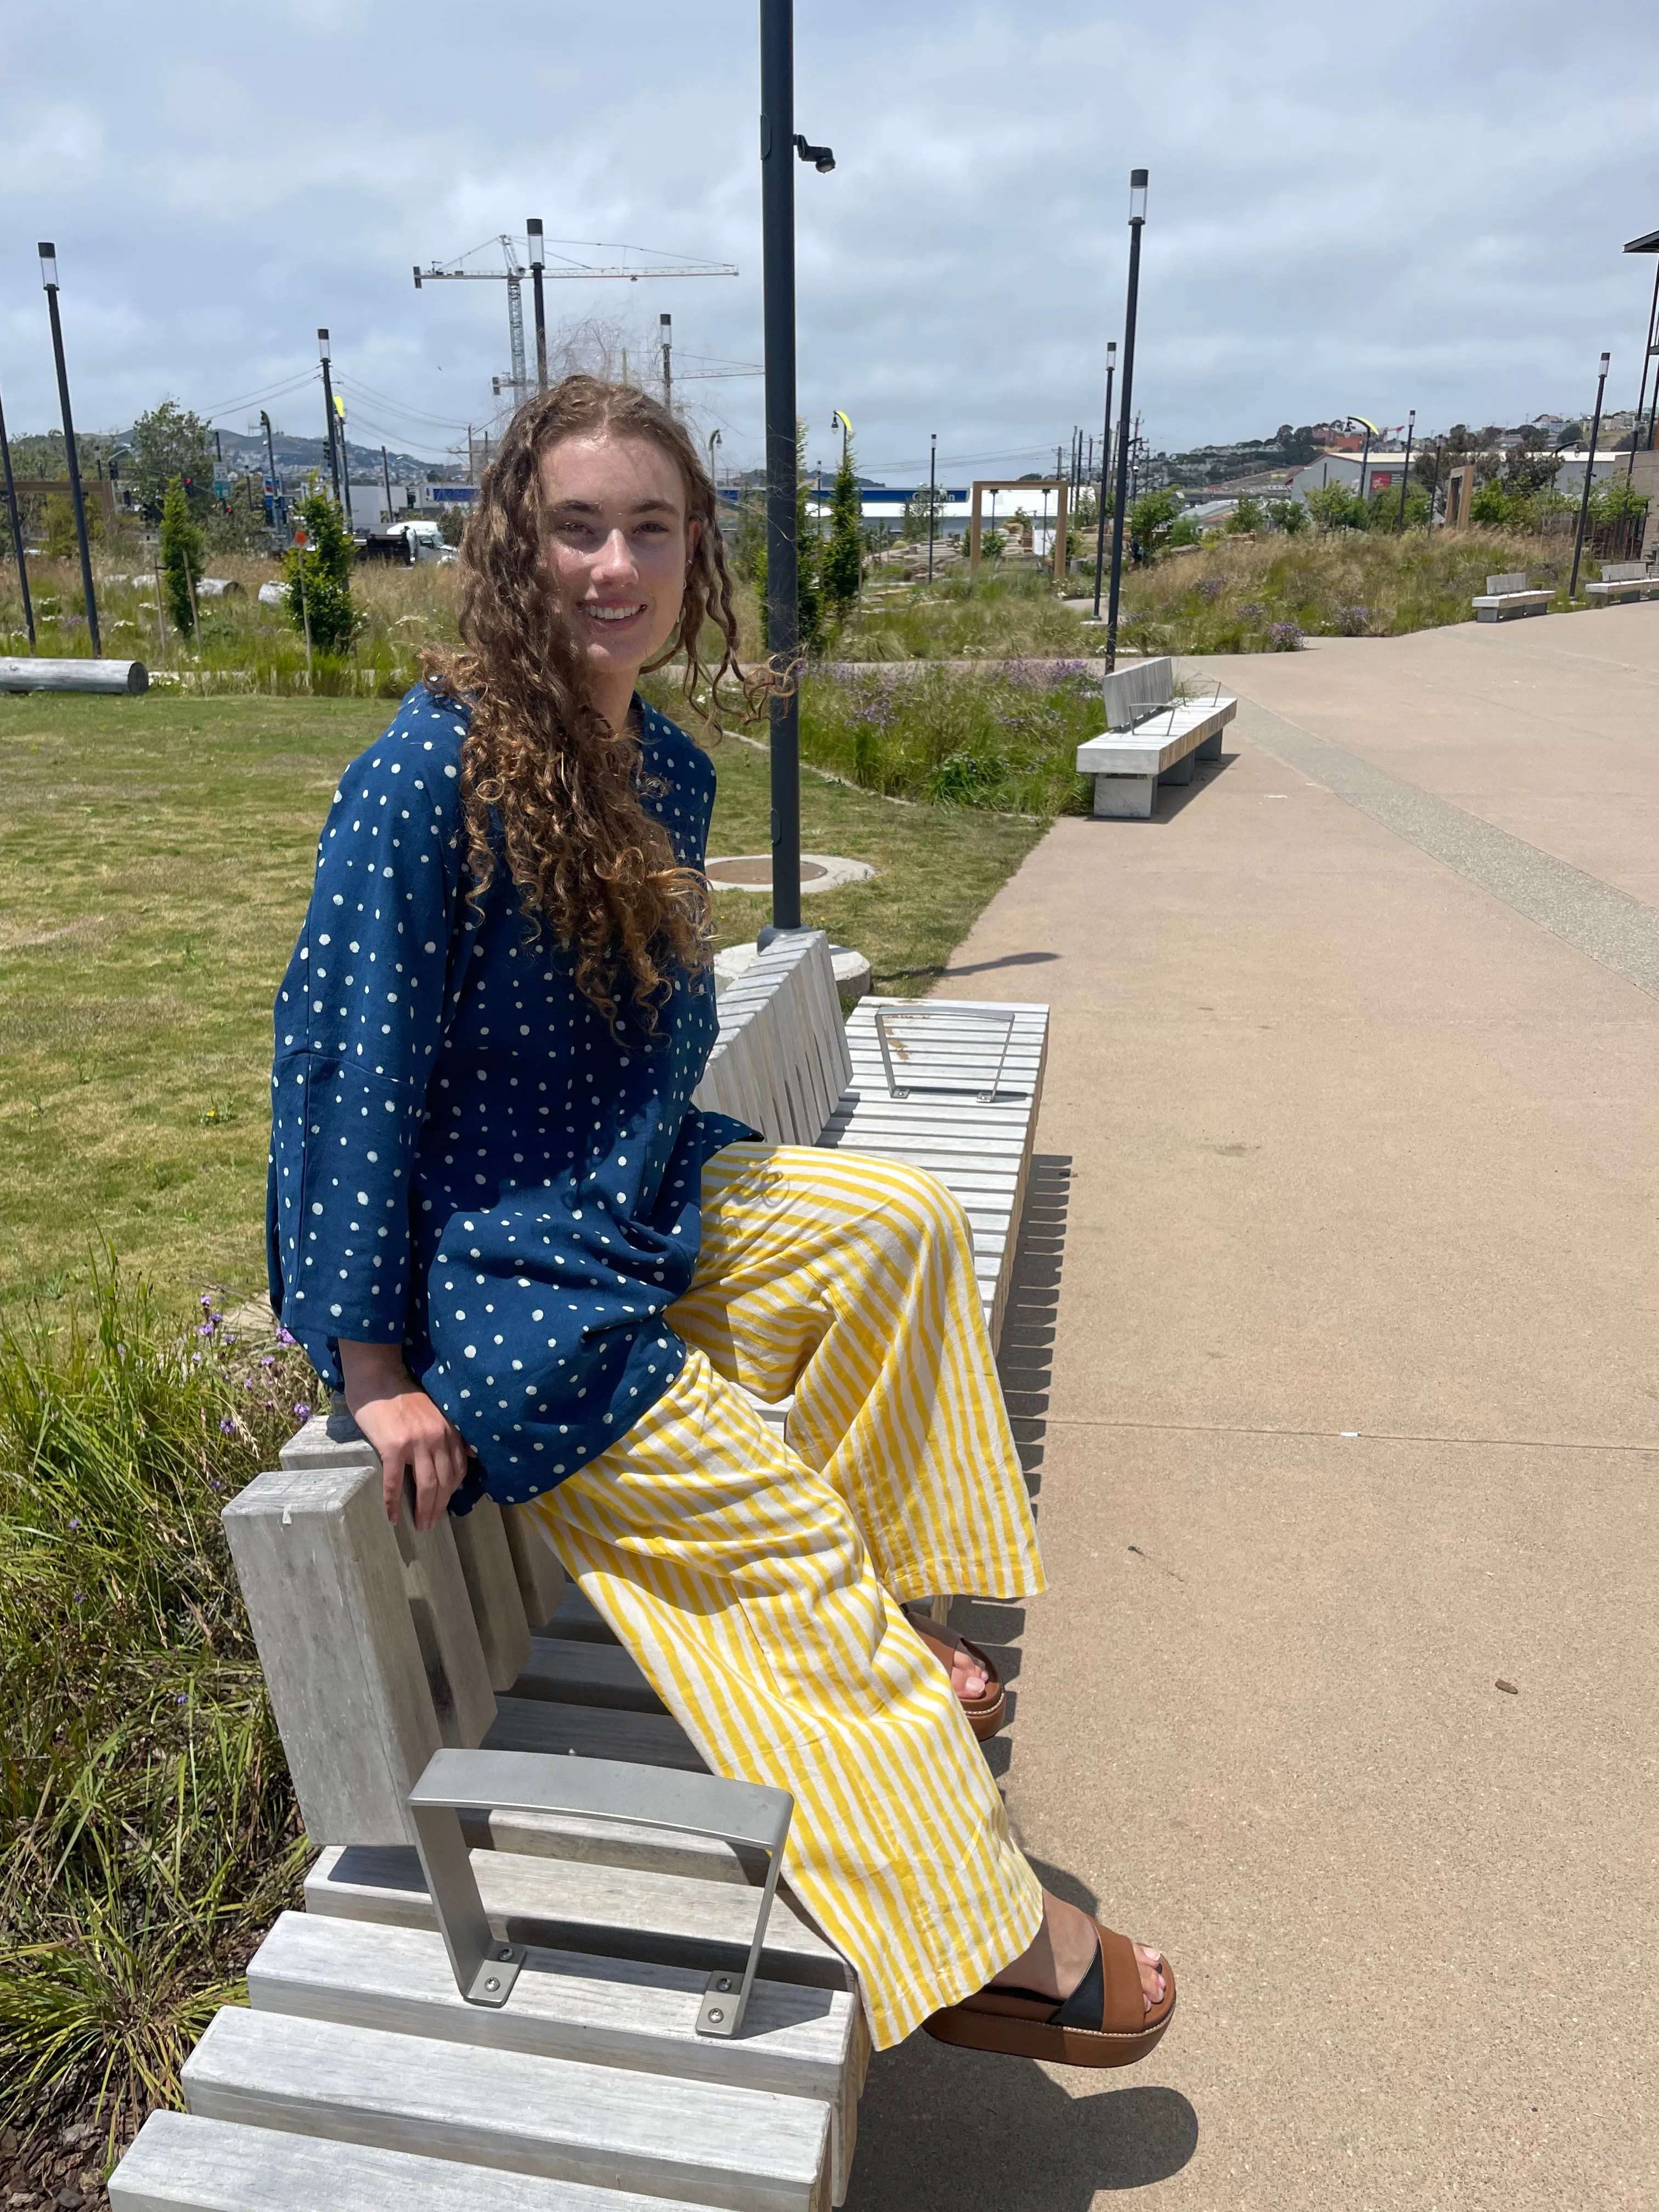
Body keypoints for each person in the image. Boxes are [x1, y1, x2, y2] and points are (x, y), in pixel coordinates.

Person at [267, 374, 1172, 2066]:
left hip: (634, 1191)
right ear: (508, 547)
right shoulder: (421, 783)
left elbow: (644, 1038)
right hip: (509, 1281)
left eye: (651, 530)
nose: (616, 564)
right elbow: (347, 1078)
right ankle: (969, 1934)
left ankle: (912, 1597)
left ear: (697, 558)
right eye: (575, 528)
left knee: (894, 1224)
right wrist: (375, 1365)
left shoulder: (661, 768)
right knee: (775, 1542)